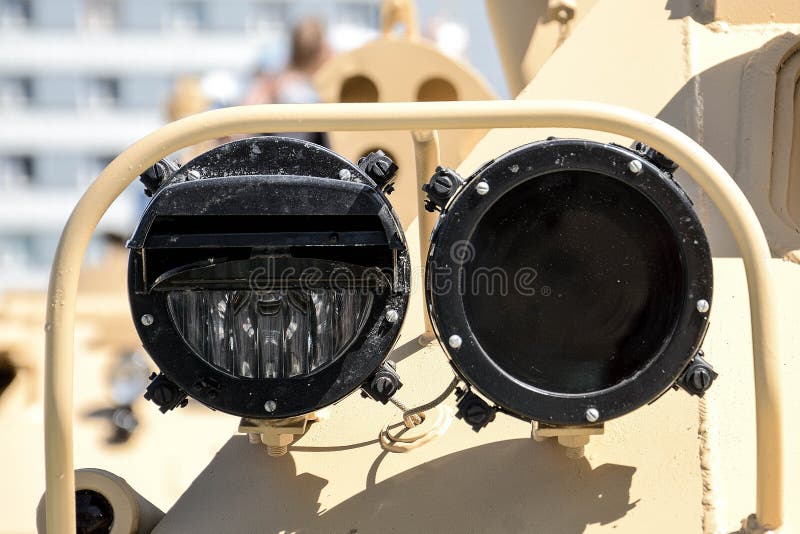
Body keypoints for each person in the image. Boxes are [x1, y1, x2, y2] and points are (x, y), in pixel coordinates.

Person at [244, 18, 332, 146]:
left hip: (275, 154)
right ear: (323, 48)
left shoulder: (273, 84)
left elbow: (244, 127)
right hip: (313, 157)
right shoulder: (325, 89)